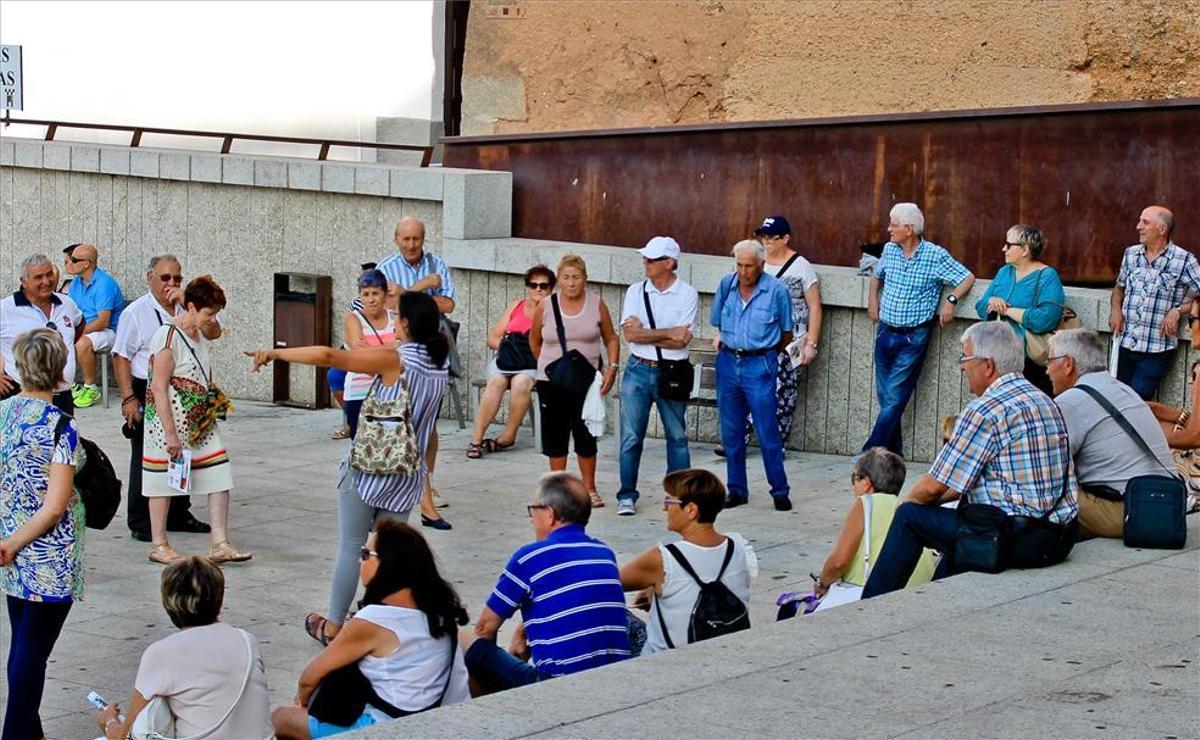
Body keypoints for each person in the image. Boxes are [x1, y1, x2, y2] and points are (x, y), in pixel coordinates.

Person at [246, 291, 449, 646]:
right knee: (388, 553)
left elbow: (329, 356)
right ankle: (382, 623)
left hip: (369, 466)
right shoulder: (439, 364)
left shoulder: (395, 359)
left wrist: (275, 353)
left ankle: (334, 627)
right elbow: (429, 427)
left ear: (405, 323)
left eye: (396, 316)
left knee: (352, 545)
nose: (392, 320)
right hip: (406, 473)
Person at [861, 322, 1079, 599]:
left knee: (909, 518)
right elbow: (960, 484)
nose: (962, 367)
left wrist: (903, 507)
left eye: (965, 359)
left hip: (1018, 539)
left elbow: (933, 487)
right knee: (965, 517)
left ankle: (870, 605)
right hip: (1060, 537)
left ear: (987, 366)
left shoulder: (985, 410)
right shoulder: (1043, 400)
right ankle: (935, 595)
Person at [271, 521, 470, 738]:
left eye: (365, 554)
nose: (359, 560)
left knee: (280, 718)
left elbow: (309, 679)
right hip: (432, 721)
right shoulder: (438, 609)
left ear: (389, 563)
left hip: (388, 728)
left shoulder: (375, 619)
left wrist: (302, 704)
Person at [464, 473, 630, 693]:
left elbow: (485, 628)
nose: (531, 519)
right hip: (615, 678)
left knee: (463, 639)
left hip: (557, 686)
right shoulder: (604, 553)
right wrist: (524, 630)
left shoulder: (530, 558)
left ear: (550, 514)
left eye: (533, 510)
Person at [0, 328, 83, 740]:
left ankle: (29, 731)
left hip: (9, 546)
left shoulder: (3, 414)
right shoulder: (60, 427)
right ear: (60, 372)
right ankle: (16, 733)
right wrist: (15, 543)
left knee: (22, 644)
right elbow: (55, 506)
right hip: (46, 555)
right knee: (32, 653)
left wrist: (8, 540)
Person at [94, 557, 272, 740]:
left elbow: (123, 736)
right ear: (219, 597)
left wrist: (109, 721)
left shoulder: (162, 653)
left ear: (169, 602)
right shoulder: (248, 640)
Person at [142, 275, 249, 565]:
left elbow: (215, 332)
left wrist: (206, 317)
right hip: (170, 422)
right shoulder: (167, 337)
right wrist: (170, 434)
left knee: (219, 474)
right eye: (208, 313)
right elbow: (158, 387)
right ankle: (159, 544)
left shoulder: (199, 330)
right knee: (160, 482)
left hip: (199, 420)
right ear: (191, 307)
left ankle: (220, 542)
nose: (212, 319)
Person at [113, 255, 213, 543]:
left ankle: (179, 513)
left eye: (177, 278)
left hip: (184, 388)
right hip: (148, 385)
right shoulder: (136, 312)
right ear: (150, 278)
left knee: (182, 450)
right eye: (165, 277)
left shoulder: (189, 306)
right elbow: (121, 356)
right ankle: (141, 520)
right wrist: (128, 398)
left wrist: (187, 300)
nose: (171, 283)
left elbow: (214, 331)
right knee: (146, 454)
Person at [865, 203, 974, 455]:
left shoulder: (935, 255)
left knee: (894, 397)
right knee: (886, 397)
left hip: (913, 336)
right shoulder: (890, 249)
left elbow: (967, 277)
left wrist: (951, 300)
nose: (889, 229)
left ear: (909, 229)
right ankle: (892, 454)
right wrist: (873, 301)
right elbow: (876, 275)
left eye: (893, 224)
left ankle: (871, 451)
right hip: (885, 330)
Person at [1047, 328, 1176, 539]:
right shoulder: (1123, 389)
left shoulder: (1071, 401)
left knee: (1042, 495)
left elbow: (1049, 467)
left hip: (1128, 510)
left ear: (1068, 364)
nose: (1047, 371)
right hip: (1165, 505)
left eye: (1049, 361)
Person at [371, 217, 455, 522]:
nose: (411, 245)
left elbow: (448, 304)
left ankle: (425, 482)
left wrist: (406, 294)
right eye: (405, 239)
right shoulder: (385, 268)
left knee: (427, 424)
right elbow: (384, 306)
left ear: (424, 239)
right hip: (399, 350)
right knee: (397, 420)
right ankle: (408, 487)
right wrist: (423, 288)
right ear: (396, 240)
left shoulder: (436, 263)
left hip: (431, 353)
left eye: (416, 238)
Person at [619, 469, 756, 652]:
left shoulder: (662, 559)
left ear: (691, 510)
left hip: (667, 659)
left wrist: (655, 583)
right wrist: (654, 586)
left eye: (669, 501)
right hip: (729, 650)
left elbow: (605, 582)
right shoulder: (738, 547)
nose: (665, 508)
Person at [529, 254, 621, 507]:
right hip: (551, 381)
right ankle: (557, 489)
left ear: (585, 279)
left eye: (576, 278)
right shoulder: (546, 305)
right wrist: (552, 367)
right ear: (559, 280)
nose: (571, 283)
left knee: (585, 434)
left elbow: (611, 338)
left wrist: (612, 367)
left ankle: (589, 488)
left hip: (586, 381)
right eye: (566, 278)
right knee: (555, 435)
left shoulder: (596, 304)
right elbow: (534, 340)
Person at [616, 237, 698, 516]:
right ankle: (627, 494)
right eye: (646, 258)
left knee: (677, 436)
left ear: (669, 263)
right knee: (631, 436)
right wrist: (667, 332)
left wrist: (646, 333)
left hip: (671, 371)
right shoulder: (635, 291)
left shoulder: (687, 293)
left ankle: (678, 496)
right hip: (638, 368)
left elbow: (681, 341)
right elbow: (630, 335)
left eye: (652, 259)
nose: (646, 263)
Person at [711, 239, 794, 511]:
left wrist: (766, 356)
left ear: (761, 265)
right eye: (739, 265)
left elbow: (786, 334)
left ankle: (779, 490)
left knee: (767, 429)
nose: (743, 271)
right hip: (728, 360)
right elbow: (717, 322)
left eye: (749, 266)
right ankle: (736, 489)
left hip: (759, 364)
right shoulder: (726, 285)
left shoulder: (777, 291)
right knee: (731, 431)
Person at [810, 448, 935, 611]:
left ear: (867, 483)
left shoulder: (865, 503)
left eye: (855, 478)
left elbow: (839, 562)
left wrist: (822, 583)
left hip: (874, 595)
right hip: (918, 595)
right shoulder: (907, 508)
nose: (853, 485)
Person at [1110, 205, 1200, 399]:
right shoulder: (1131, 254)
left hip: (1156, 348)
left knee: (1137, 401)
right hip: (1125, 343)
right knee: (1117, 399)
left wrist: (1178, 310)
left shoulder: (1184, 260)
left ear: (1162, 229)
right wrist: (1115, 310)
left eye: (1145, 222)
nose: (1138, 227)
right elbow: (1119, 288)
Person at [467, 264, 556, 459]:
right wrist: (509, 346)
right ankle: (476, 440)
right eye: (533, 285)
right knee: (496, 382)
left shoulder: (554, 311)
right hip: (506, 360)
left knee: (521, 382)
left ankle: (508, 436)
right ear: (528, 287)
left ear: (551, 288)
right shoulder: (516, 306)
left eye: (543, 285)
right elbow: (492, 337)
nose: (538, 289)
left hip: (532, 363)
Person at [973, 224, 1064, 396]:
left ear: (1025, 250)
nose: (1003, 249)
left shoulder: (1047, 276)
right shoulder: (1004, 272)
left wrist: (1007, 310)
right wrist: (992, 301)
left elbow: (1047, 318)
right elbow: (981, 305)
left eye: (1009, 245)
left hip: (1029, 360)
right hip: (997, 355)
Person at [0, 253, 84, 414]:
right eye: (38, 277)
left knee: (64, 429)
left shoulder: (67, 304)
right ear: (23, 281)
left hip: (63, 397)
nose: (46, 281)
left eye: (49, 274)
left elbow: (78, 327)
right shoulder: (5, 308)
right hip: (21, 398)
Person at [63, 242, 126, 408]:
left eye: (74, 260)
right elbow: (69, 311)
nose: (69, 263)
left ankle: (91, 387)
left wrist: (78, 332)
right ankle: (68, 385)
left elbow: (103, 321)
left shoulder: (104, 284)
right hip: (85, 328)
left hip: (109, 331)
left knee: (82, 342)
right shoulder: (76, 283)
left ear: (86, 263)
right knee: (52, 339)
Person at [341, 269, 399, 440]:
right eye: (365, 294)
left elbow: (405, 347)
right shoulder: (354, 319)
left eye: (375, 293)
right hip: (359, 392)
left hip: (391, 393)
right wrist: (392, 347)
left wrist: (371, 350)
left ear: (384, 294)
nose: (371, 299)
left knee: (391, 444)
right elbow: (360, 356)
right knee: (361, 445)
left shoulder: (395, 317)